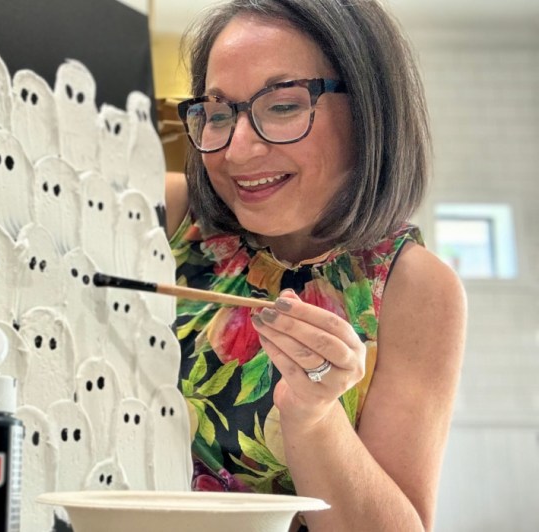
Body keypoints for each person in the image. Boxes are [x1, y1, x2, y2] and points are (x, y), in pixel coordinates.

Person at [164, 1, 465, 530]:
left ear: (369, 109)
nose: (238, 149)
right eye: (216, 113)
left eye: (282, 106)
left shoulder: (412, 286)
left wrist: (313, 417)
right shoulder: (170, 216)